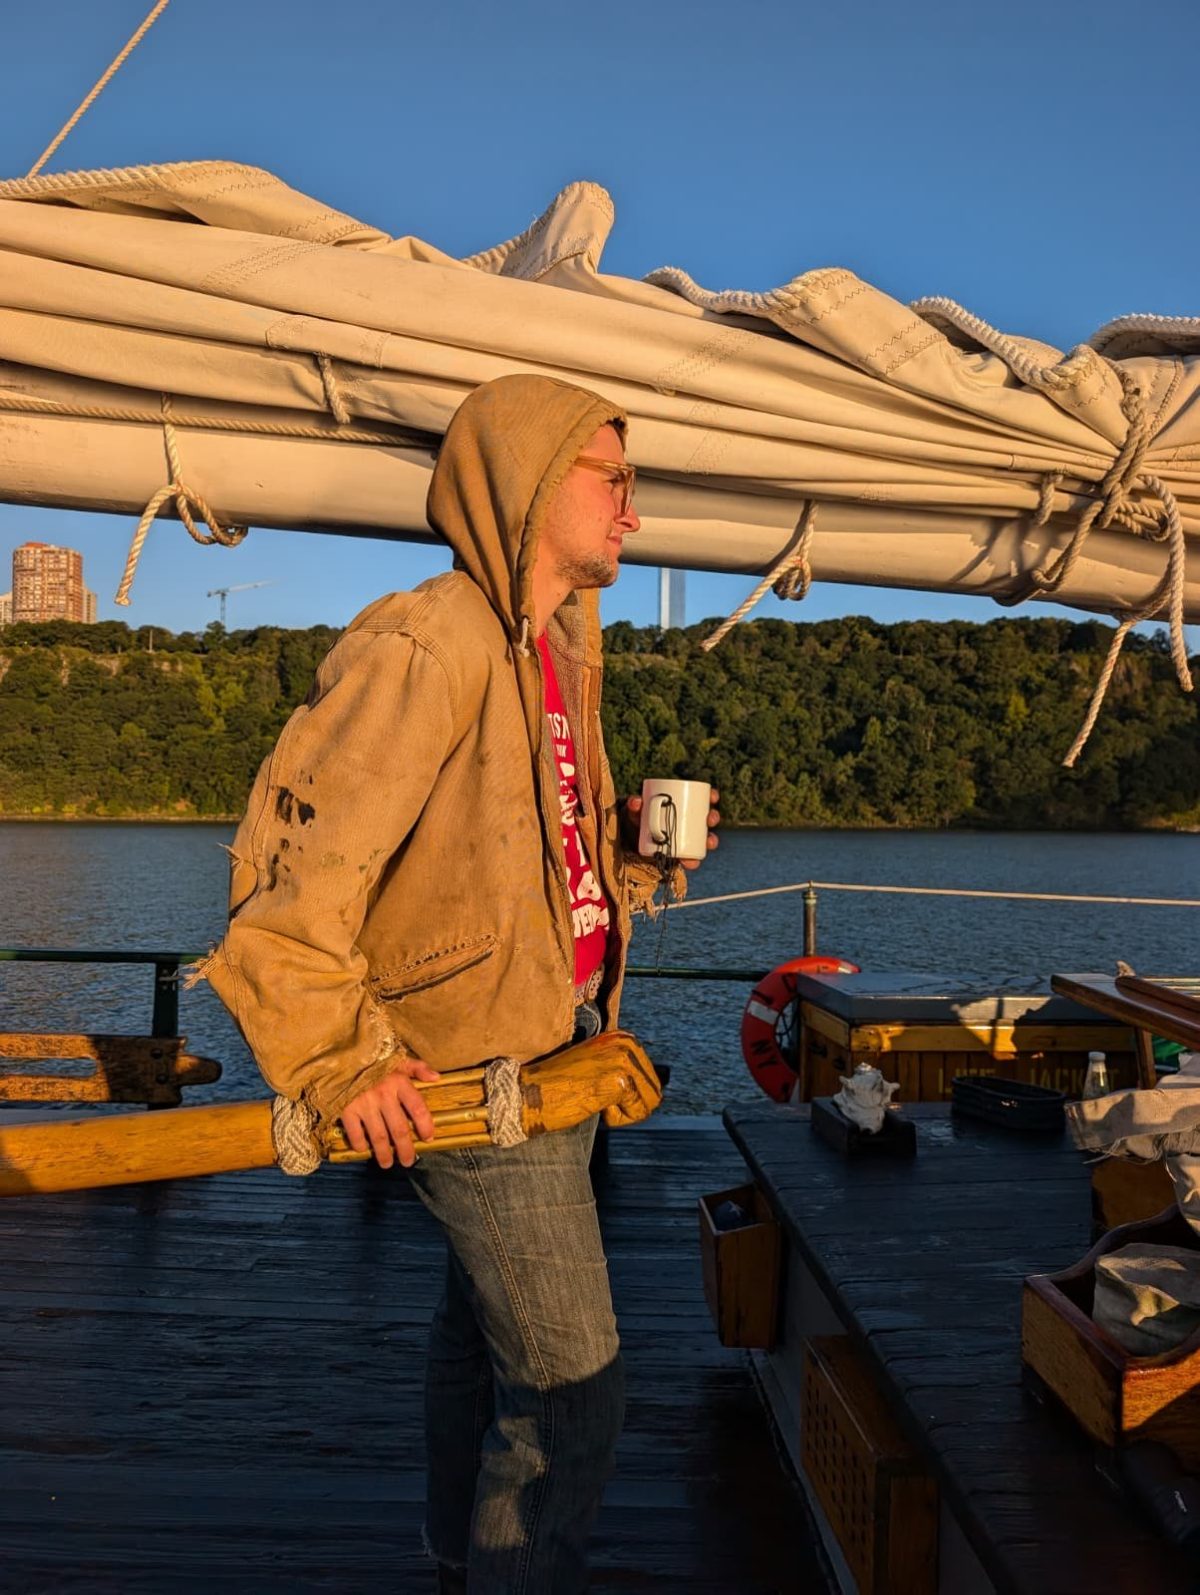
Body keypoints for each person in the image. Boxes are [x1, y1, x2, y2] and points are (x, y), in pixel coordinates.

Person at [198, 373, 719, 1593]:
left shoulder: (550, 653)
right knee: (574, 1390)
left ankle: (456, 1559)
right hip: (474, 1071)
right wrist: (343, 1062)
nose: (633, 509)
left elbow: (500, 869)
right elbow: (291, 878)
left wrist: (630, 861)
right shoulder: (428, 645)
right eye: (612, 477)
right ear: (528, 482)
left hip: (552, 1051)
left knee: (479, 1346)